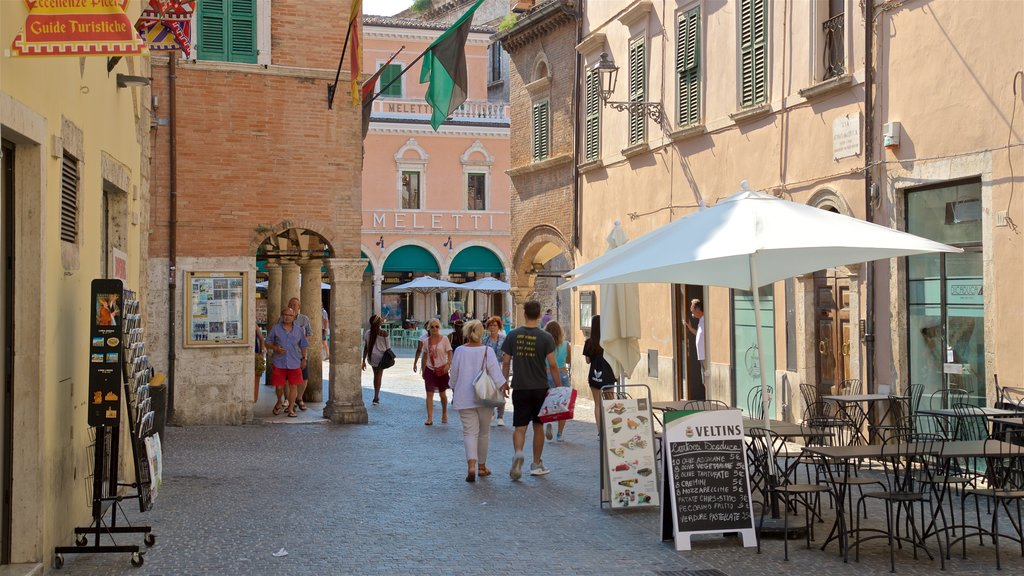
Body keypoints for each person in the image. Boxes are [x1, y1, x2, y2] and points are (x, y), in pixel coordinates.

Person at [501, 300, 561, 480]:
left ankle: (518, 452)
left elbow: (505, 362)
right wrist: (559, 387)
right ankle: (536, 463)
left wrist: (504, 382)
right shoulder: (545, 337)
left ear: (525, 314)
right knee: (538, 426)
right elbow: (552, 364)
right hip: (540, 388)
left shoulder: (513, 335)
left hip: (520, 386)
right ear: (540, 314)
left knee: (520, 427)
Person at [448, 320, 506, 482]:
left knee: (469, 432)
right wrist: (503, 386)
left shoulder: (459, 351)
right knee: (484, 433)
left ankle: (471, 466)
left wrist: (453, 387)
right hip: (484, 397)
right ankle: (481, 466)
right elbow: (495, 373)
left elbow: (454, 374)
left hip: (464, 397)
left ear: (466, 333)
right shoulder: (487, 351)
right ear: (482, 333)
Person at [265, 307, 308, 417]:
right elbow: (267, 342)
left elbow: (303, 345)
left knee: (294, 386)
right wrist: (275, 348)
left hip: (294, 362)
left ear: (294, 317)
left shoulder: (298, 330)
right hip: (279, 362)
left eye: (289, 315)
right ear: (282, 316)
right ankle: (279, 401)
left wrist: (304, 359)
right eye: (284, 314)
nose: (287, 317)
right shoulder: (276, 328)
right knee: (279, 386)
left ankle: (291, 408)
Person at [583, 315, 617, 432]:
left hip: (594, 376)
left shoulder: (589, 342)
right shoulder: (608, 342)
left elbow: (587, 361)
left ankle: (599, 432)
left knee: (597, 404)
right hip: (608, 375)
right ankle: (611, 429)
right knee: (610, 402)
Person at [417, 318, 452, 425]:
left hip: (442, 370)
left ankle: (444, 413)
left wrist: (448, 364)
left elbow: (450, 352)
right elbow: (424, 356)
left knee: (442, 394)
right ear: (429, 329)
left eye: (436, 326)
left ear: (439, 327)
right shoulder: (426, 342)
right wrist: (423, 370)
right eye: (432, 327)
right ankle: (430, 418)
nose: (434, 329)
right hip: (430, 370)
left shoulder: (445, 339)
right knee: (429, 394)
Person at [544, 321, 571, 442]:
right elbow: (569, 360)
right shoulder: (566, 345)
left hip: (546, 374)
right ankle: (560, 434)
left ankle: (548, 422)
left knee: (548, 401)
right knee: (563, 404)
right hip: (562, 374)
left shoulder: (542, 345)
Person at [286, 297, 313, 411]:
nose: (292, 307)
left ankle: (299, 398)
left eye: (295, 305)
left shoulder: (304, 319)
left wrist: (301, 340)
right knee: (288, 378)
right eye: (290, 305)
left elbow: (310, 334)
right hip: (288, 354)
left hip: (301, 352)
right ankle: (288, 400)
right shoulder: (283, 319)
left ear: (299, 307)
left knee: (304, 376)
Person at [482, 316, 507, 427]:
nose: (493, 327)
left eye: (495, 325)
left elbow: (506, 355)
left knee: (501, 392)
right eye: (491, 325)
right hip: (487, 369)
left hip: (500, 367)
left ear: (499, 327)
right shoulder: (484, 340)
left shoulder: (503, 339)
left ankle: (500, 416)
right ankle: (491, 412)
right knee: (490, 392)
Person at [361, 314, 391, 405]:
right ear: (378, 322)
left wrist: (363, 361)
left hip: (372, 357)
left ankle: (376, 395)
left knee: (375, 375)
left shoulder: (367, 333)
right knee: (379, 376)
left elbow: (366, 347)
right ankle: (376, 397)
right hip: (381, 358)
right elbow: (388, 348)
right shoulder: (384, 333)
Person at [685, 299, 707, 396]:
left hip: (705, 356)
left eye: (692, 308)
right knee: (704, 379)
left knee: (706, 380)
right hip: (701, 356)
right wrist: (689, 328)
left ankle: (708, 400)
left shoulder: (705, 321)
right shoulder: (701, 321)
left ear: (697, 308)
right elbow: (698, 335)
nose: (691, 311)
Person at [254, 326, 266, 402]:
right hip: (255, 352)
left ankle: (255, 398)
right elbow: (261, 338)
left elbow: (261, 338)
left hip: (256, 353)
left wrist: (261, 352)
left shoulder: (254, 325)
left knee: (257, 375)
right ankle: (254, 398)